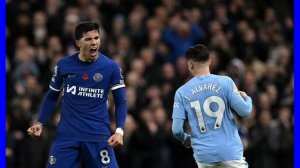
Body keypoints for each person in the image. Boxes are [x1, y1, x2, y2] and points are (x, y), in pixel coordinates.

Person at [27, 22, 127, 168]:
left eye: (96, 38)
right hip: (67, 136)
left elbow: (121, 101)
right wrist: (39, 122)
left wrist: (119, 131)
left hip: (97, 136)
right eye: (88, 39)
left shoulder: (111, 67)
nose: (94, 42)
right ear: (78, 43)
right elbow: (51, 96)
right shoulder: (64, 65)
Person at [171, 44, 252, 168]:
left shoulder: (182, 92)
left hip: (204, 156)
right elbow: (245, 111)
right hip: (230, 153)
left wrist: (185, 138)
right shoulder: (226, 82)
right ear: (209, 61)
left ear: (190, 65)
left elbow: (176, 129)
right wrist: (247, 98)